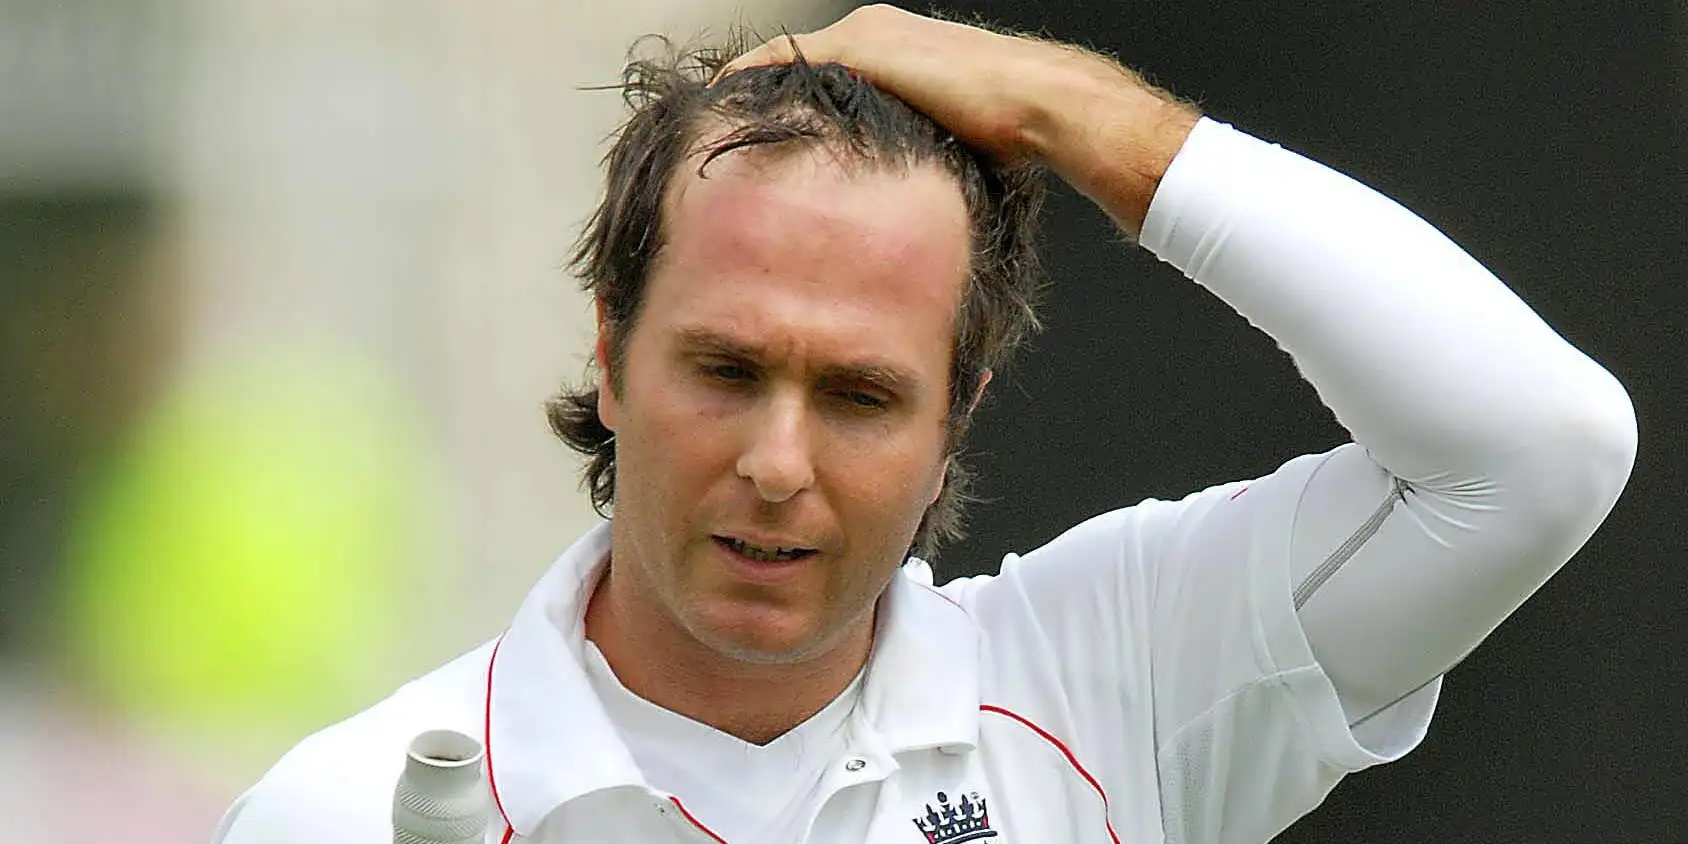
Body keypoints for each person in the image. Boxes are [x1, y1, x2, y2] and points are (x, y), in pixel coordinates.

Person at [212, 6, 1637, 844]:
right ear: (609, 346)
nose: (777, 466)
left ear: (961, 411)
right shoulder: (337, 811)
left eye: (860, 394)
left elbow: (1538, 449)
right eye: (724, 370)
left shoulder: (1106, 685)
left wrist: (1074, 107)